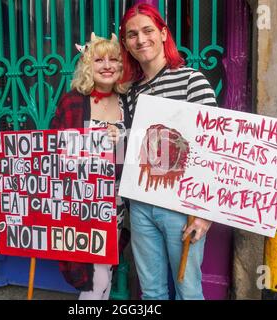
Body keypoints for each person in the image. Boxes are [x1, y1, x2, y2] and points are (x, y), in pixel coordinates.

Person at [119, 3, 218, 300]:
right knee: (151, 293)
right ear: (126, 43)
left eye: (148, 30)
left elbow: (212, 149)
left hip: (181, 209)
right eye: (132, 34)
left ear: (163, 34)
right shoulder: (132, 91)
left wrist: (203, 213)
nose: (141, 39)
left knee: (188, 291)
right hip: (140, 205)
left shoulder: (191, 80)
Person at [50, 32, 130, 300]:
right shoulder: (72, 101)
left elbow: (142, 152)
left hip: (115, 203)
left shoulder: (127, 103)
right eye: (99, 60)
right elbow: (52, 149)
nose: (107, 65)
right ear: (88, 65)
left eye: (114, 59)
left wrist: (123, 138)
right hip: (80, 202)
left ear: (122, 66)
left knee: (104, 267)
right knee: (93, 273)